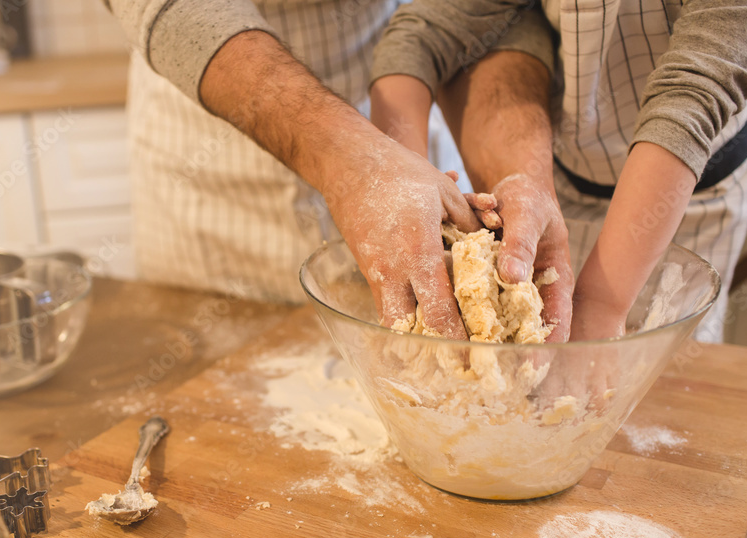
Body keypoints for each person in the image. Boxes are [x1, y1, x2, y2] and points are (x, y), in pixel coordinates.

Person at [101, 0, 567, 340]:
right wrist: (358, 163)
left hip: (398, 104)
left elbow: (485, 12)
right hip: (213, 138)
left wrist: (515, 173)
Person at [370, 0, 747, 342]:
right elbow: (425, 32)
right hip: (559, 175)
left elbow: (697, 87)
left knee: (669, 384)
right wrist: (410, 188)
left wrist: (603, 304)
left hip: (688, 193)